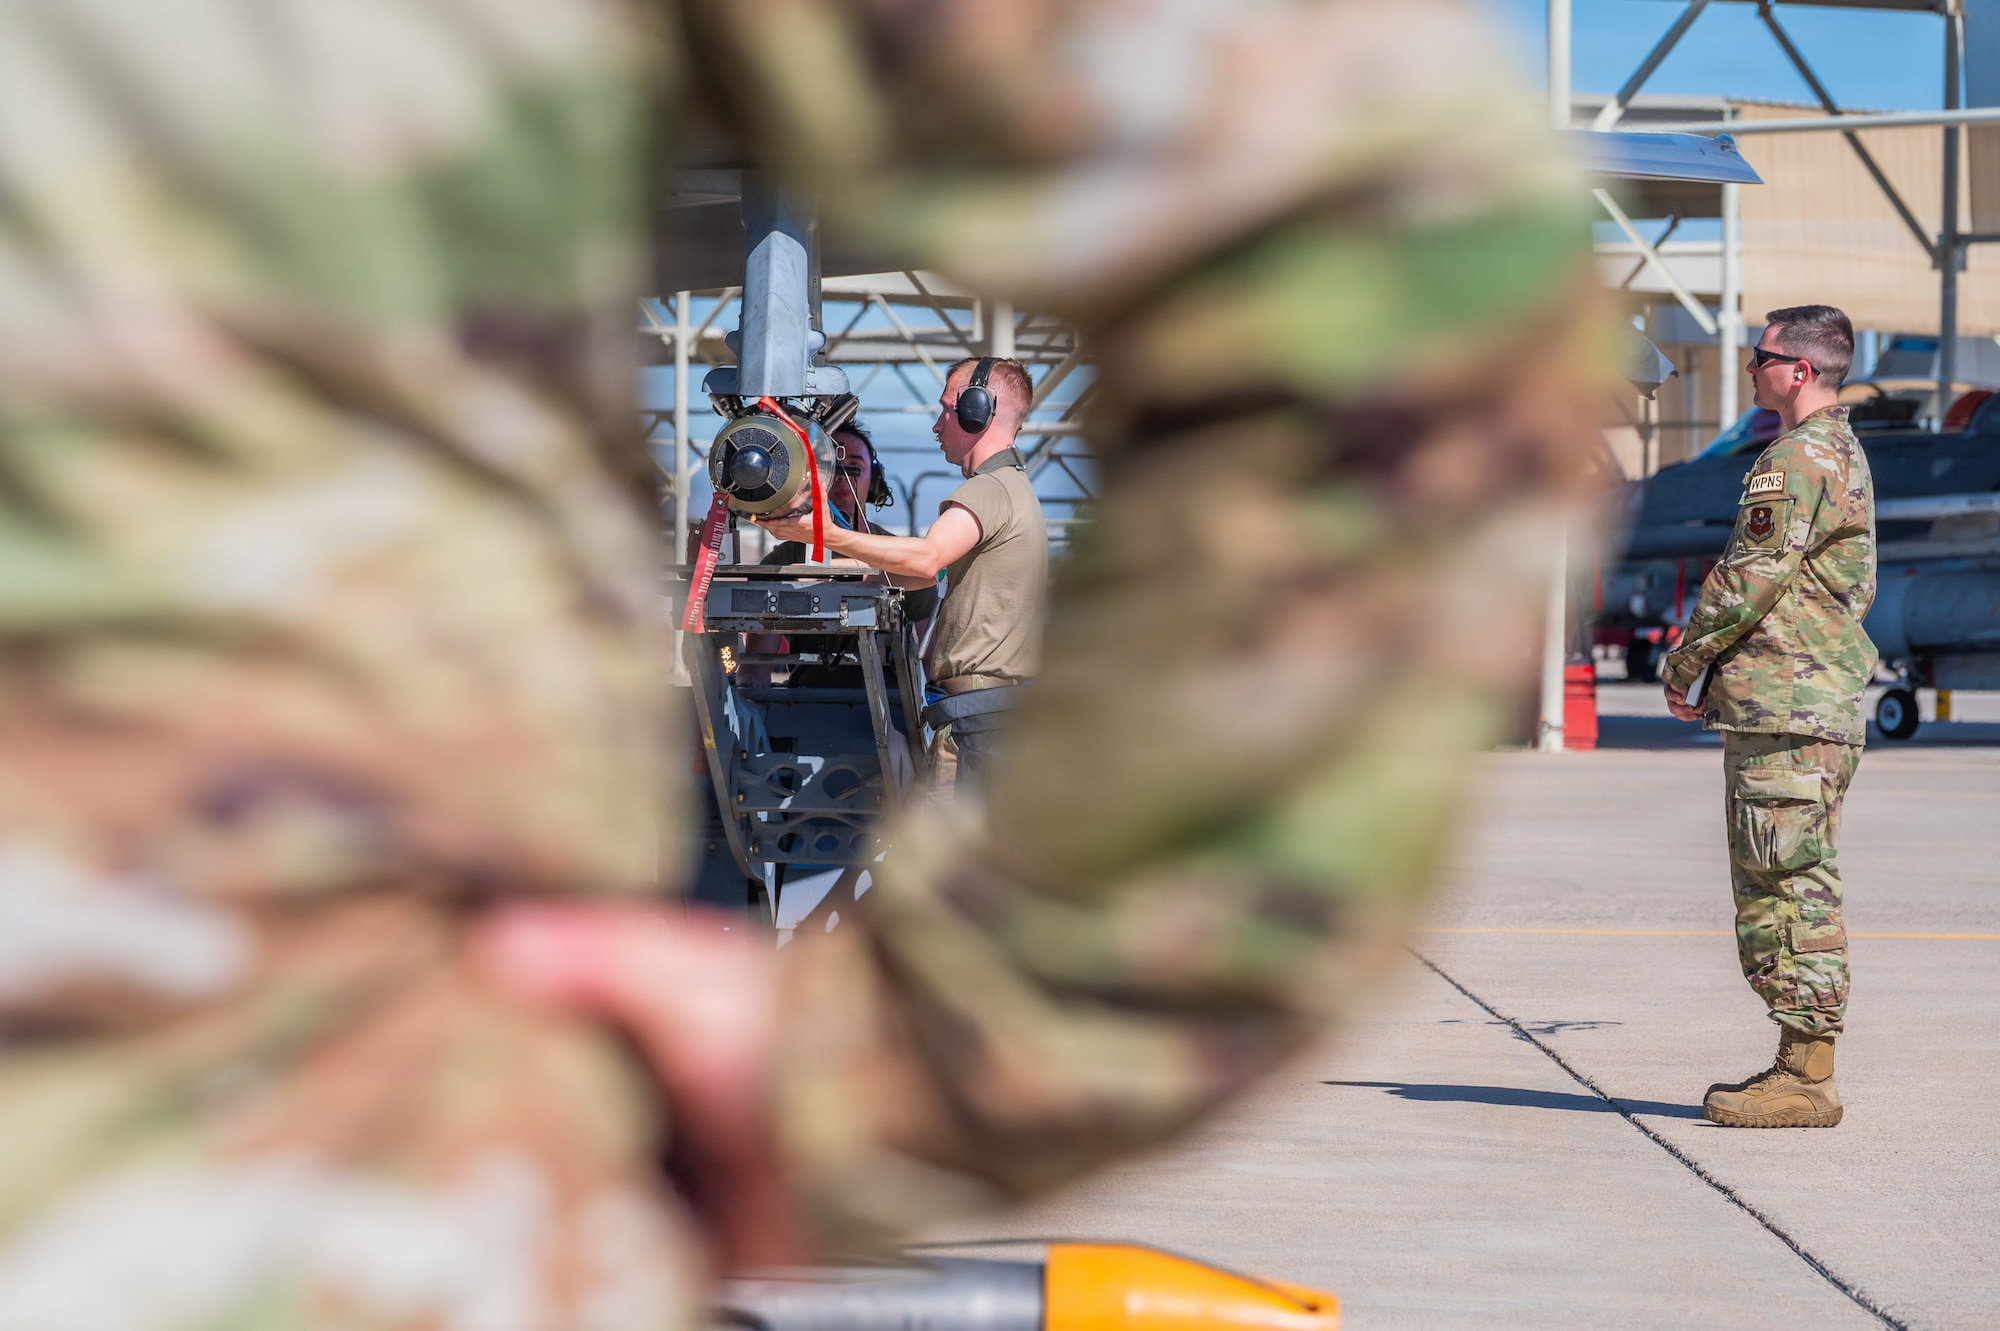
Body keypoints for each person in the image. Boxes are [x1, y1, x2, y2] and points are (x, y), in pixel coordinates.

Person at [0, 2, 1607, 1325]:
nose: (967, 418)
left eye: (977, 402)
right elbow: (1395, 240)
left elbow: (1382, 252)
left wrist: (828, 546)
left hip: (255, 1153)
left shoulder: (987, 493)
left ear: (996, 419)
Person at [1661, 305, 1877, 1129]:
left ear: (1798, 371)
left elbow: (1748, 575)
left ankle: (1807, 1078)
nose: (1752, 369)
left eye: (1759, 357)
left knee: (1787, 884)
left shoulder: (1796, 459)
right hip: (1806, 698)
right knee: (1791, 876)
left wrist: (1686, 665)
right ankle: (1800, 1063)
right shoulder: (1843, 453)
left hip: (1787, 701)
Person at [757, 356, 1046, 788]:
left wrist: (826, 533)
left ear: (977, 410)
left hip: (980, 719)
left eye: (947, 408)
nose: (937, 424)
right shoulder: (1011, 488)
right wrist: (825, 569)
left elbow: (926, 560)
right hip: (983, 716)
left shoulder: (989, 489)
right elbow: (914, 576)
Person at [744, 420, 938, 689]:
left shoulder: (902, 559)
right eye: (829, 466)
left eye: (854, 466)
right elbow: (755, 670)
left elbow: (928, 663)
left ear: (875, 479)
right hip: (804, 701)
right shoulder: (781, 563)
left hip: (893, 712)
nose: (843, 476)